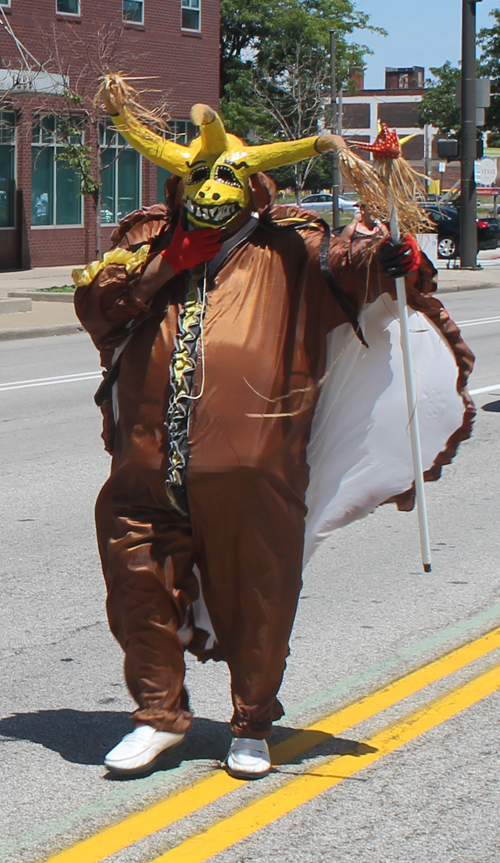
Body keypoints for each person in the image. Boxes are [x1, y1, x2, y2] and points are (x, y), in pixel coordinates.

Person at [73, 79, 474, 779]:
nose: (209, 190)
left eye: (228, 178)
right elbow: (96, 305)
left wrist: (396, 258)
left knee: (257, 587)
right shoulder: (147, 245)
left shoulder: (294, 248)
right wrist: (171, 262)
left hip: (255, 467)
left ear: (254, 189)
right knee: (137, 583)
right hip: (145, 464)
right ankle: (158, 715)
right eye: (197, 177)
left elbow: (364, 266)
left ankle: (252, 721)